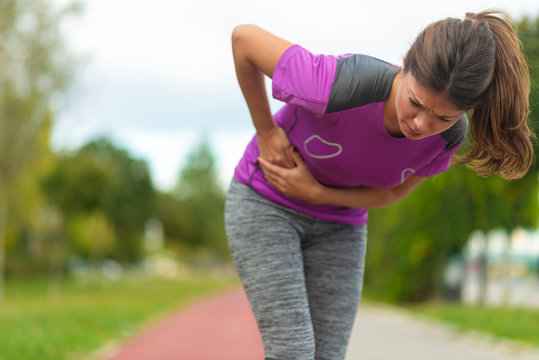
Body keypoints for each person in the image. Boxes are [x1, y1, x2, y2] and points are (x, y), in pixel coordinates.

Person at [225, 10, 533, 360]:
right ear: (405, 63)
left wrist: (317, 193)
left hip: (339, 226)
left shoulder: (448, 139)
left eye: (443, 117)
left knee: (328, 354)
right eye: (416, 102)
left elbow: (393, 192)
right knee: (293, 350)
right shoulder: (337, 84)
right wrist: (266, 131)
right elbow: (243, 39)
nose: (420, 124)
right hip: (266, 203)